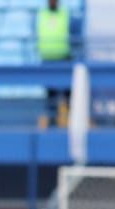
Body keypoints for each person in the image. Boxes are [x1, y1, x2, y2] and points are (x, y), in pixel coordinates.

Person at [37, 0, 72, 128]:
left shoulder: (65, 14)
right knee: (50, 93)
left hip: (63, 58)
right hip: (47, 59)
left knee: (68, 92)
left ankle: (70, 121)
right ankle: (53, 122)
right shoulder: (42, 14)